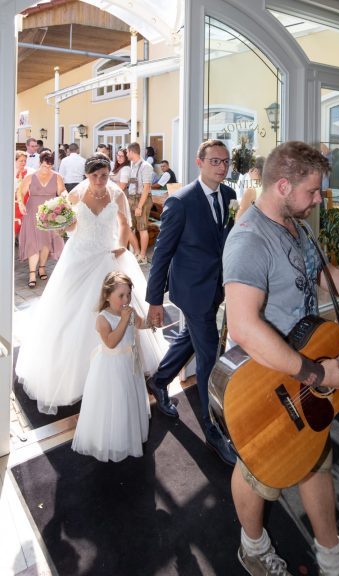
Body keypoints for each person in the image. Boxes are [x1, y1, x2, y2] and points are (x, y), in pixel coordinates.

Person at [223, 141, 339, 576]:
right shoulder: (250, 240)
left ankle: (331, 558)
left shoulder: (297, 227)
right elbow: (243, 326)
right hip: (267, 385)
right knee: (259, 472)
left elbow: (322, 274)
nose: (318, 200)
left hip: (306, 373)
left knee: (315, 461)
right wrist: (316, 371)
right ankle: (252, 547)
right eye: (312, 192)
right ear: (282, 185)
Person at [16, 154, 167, 415]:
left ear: (109, 174)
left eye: (104, 175)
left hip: (109, 255)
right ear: (86, 175)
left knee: (117, 308)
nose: (99, 180)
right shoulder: (75, 195)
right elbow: (73, 226)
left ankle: (117, 367)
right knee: (71, 313)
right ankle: (76, 373)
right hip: (80, 256)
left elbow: (123, 223)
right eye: (94, 176)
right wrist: (59, 223)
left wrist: (121, 244)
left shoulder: (117, 194)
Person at [145, 139, 237, 466]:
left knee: (193, 340)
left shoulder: (230, 197)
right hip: (190, 290)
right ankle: (214, 429)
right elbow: (162, 255)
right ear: (199, 163)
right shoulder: (180, 202)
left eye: (225, 161)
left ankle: (159, 380)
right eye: (215, 161)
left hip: (216, 287)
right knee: (210, 353)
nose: (222, 167)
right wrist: (155, 300)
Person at [72, 272, 151, 462]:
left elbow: (140, 324)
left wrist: (153, 321)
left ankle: (128, 433)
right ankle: (113, 439)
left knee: (129, 398)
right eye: (121, 296)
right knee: (116, 400)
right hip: (111, 367)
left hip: (129, 364)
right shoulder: (103, 318)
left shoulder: (129, 311)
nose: (126, 299)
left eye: (128, 294)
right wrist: (124, 320)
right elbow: (110, 342)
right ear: (107, 296)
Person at [17, 150, 65, 288]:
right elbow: (20, 191)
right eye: (44, 166)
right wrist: (20, 204)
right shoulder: (31, 177)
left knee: (45, 243)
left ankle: (42, 267)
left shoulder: (57, 177)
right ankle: (32, 273)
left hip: (50, 212)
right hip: (33, 211)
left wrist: (65, 196)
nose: (47, 169)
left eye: (49, 166)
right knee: (33, 242)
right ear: (40, 163)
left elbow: (61, 191)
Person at [110, 148, 141, 257]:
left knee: (125, 226)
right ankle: (121, 248)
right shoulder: (117, 167)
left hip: (120, 198)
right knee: (119, 225)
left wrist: (109, 190)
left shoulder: (126, 168)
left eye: (121, 156)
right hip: (114, 198)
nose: (119, 158)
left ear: (126, 157)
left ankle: (137, 251)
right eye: (117, 155)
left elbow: (122, 186)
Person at [126, 142, 154, 265]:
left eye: (127, 152)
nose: (127, 154)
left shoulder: (146, 166)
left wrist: (139, 206)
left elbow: (147, 187)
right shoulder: (133, 165)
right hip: (132, 199)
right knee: (128, 227)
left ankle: (142, 256)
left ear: (132, 152)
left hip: (141, 200)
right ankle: (137, 252)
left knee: (142, 228)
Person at [235, 156, 265, 220]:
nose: (248, 172)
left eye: (249, 170)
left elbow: (239, 218)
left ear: (255, 171)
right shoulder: (269, 188)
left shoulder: (251, 190)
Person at [14, 150, 34, 238]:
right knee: (15, 223)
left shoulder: (31, 171)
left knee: (25, 222)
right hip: (14, 201)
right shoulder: (10, 172)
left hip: (27, 200)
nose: (23, 162)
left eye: (25, 160)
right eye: (21, 161)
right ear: (15, 161)